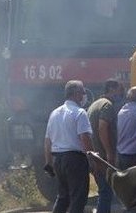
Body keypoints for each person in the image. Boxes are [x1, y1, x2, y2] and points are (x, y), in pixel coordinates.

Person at [44, 80, 95, 213]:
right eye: (83, 93)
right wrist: (93, 159)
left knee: (63, 197)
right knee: (78, 198)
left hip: (58, 160)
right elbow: (84, 138)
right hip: (75, 160)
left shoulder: (54, 113)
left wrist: (48, 163)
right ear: (76, 94)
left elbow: (47, 141)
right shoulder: (80, 113)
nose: (84, 96)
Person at [86, 79, 125, 213]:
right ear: (111, 89)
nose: (121, 94)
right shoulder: (107, 105)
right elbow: (102, 128)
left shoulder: (94, 105)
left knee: (104, 190)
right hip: (102, 156)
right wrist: (109, 152)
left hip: (95, 155)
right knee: (106, 192)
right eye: (120, 90)